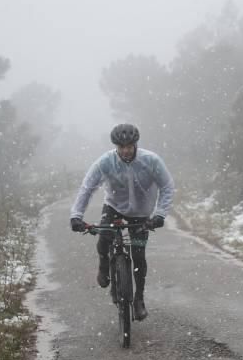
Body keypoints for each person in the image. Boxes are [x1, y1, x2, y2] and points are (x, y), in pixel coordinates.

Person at [70, 123, 175, 321]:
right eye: (121, 147)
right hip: (114, 207)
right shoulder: (105, 162)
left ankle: (139, 299)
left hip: (141, 213)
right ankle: (104, 264)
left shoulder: (151, 161)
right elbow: (87, 188)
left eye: (129, 146)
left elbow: (167, 186)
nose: (125, 151)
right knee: (104, 239)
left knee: (138, 255)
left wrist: (160, 214)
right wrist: (76, 216)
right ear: (116, 147)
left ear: (136, 144)